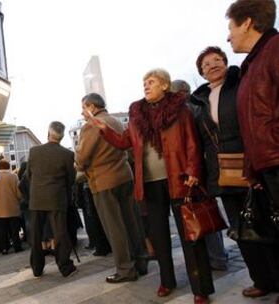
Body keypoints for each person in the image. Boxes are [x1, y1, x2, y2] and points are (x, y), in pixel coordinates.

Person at [88, 70, 214, 304]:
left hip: (179, 180)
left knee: (190, 236)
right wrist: (103, 129)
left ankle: (200, 288)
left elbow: (192, 143)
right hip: (149, 184)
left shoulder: (181, 110)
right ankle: (167, 281)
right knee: (159, 236)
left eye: (151, 82)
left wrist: (194, 171)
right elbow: (125, 141)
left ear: (165, 85)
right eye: (144, 83)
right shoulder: (137, 115)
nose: (146, 86)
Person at [226, 0, 279, 300]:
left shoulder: (275, 50)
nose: (228, 36)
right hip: (267, 165)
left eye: (230, 28)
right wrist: (254, 166)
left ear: (246, 22)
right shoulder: (254, 62)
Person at [75, 93, 148, 284]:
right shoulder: (116, 121)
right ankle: (141, 262)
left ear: (91, 107)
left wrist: (78, 162)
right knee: (132, 221)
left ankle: (125, 269)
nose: (82, 113)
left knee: (114, 227)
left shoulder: (91, 125)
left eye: (83, 108)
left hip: (103, 181)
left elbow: (82, 158)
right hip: (124, 176)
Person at [173, 75, 228, 271]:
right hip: (205, 168)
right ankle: (218, 256)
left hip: (195, 171)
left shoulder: (186, 112)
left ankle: (216, 258)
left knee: (201, 214)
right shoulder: (197, 107)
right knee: (208, 211)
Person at [27, 121, 77, 277]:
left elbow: (29, 175)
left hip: (37, 198)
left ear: (48, 133)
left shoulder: (34, 151)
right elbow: (70, 180)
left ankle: (37, 268)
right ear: (61, 137)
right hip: (57, 198)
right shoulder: (67, 154)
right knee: (60, 233)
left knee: (35, 234)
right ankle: (64, 266)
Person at [0, 160, 23, 254]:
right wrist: (19, 198)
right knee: (14, 229)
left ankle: (5, 248)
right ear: (8, 166)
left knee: (2, 230)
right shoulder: (13, 176)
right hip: (13, 206)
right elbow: (18, 192)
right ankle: (17, 247)